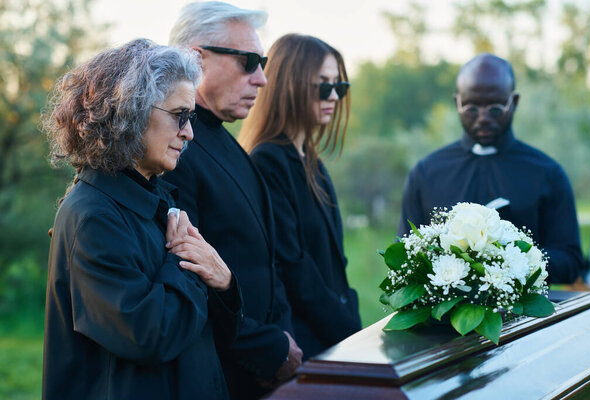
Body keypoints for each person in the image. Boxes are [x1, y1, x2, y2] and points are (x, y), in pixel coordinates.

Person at [41, 39, 241, 399]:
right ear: (129, 111)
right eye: (179, 115)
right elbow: (150, 335)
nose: (189, 132)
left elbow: (205, 332)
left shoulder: (155, 197)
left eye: (191, 117)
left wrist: (223, 281)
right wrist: (185, 262)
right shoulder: (93, 216)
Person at [164, 2, 302, 398]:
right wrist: (268, 350)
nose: (261, 79)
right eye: (249, 61)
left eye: (264, 63)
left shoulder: (228, 142)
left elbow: (266, 263)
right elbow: (186, 278)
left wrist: (282, 343)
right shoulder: (173, 149)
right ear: (195, 58)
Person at [397, 53, 584, 284]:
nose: (483, 118)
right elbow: (405, 257)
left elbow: (571, 262)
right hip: (442, 320)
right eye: (471, 108)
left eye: (495, 108)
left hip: (528, 319)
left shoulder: (547, 173)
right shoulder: (426, 174)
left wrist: (510, 257)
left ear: (513, 102)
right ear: (457, 102)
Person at [238, 34, 361, 360]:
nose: (334, 96)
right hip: (307, 344)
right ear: (289, 85)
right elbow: (293, 268)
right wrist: (350, 332)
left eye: (339, 86)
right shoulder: (269, 160)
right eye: (323, 85)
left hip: (333, 336)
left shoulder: (310, 159)